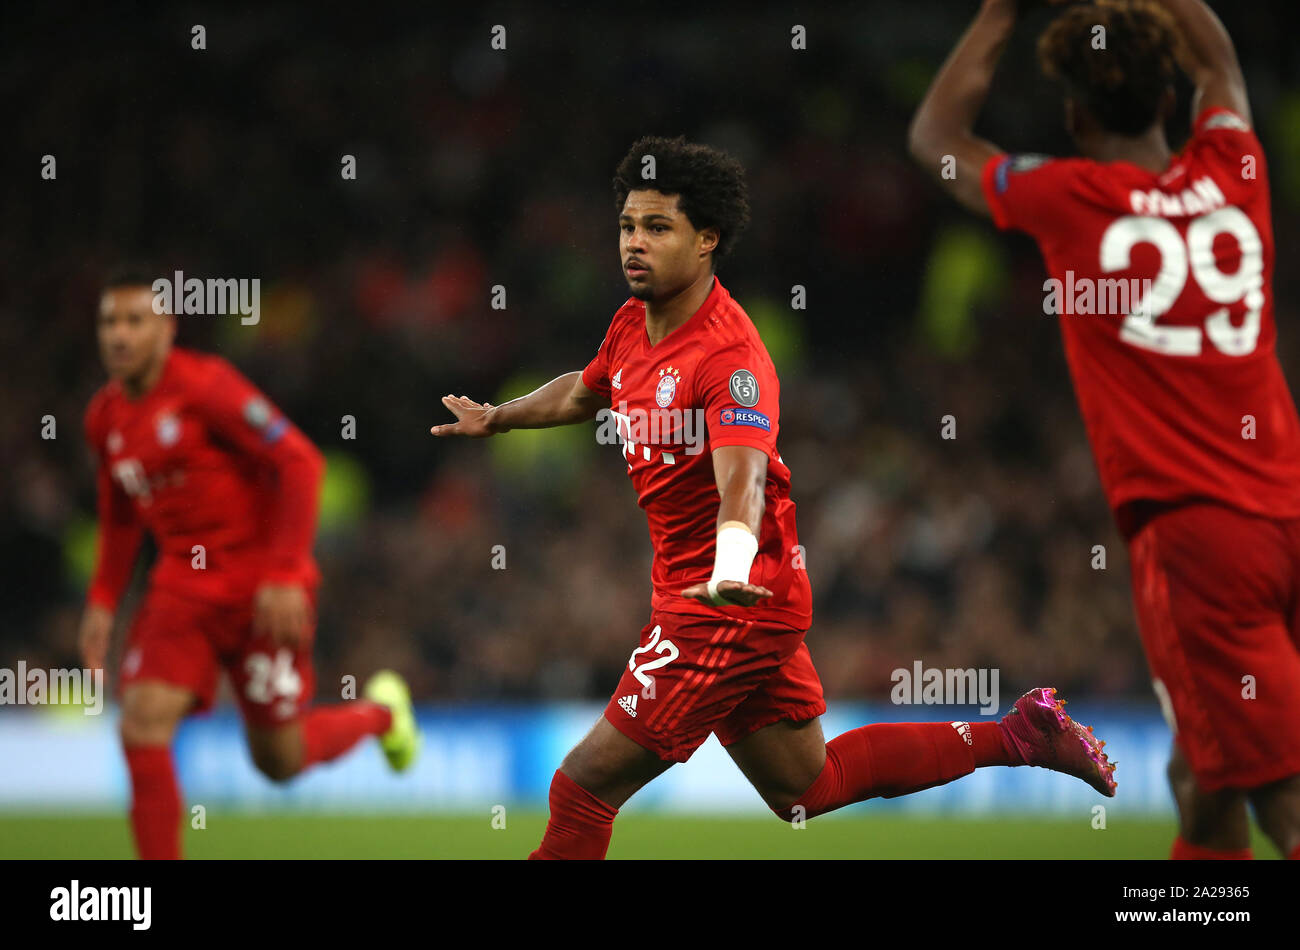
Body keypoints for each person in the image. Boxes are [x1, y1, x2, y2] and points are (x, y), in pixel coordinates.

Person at [432, 135, 1115, 860]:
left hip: (731, 598)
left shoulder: (730, 357)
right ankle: (1019, 735)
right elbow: (584, 388)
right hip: (711, 592)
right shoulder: (634, 322)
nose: (635, 243)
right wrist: (499, 416)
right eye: (629, 225)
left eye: (658, 228)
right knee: (806, 788)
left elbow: (743, 479)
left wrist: (727, 567)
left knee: (582, 787)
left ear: (706, 241)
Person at [910, 0, 1300, 859]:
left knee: (1279, 796)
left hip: (1202, 537)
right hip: (1288, 502)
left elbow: (935, 138)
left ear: (1075, 116)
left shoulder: (1072, 197)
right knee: (1205, 783)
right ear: (1168, 102)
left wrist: (1000, 12)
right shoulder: (1237, 163)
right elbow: (1221, 66)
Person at [80, 267, 419, 859]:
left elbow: (300, 462)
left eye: (136, 321)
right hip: (181, 591)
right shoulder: (104, 419)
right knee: (141, 726)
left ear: (165, 328)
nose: (120, 335)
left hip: (262, 589)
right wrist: (104, 600)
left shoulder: (206, 386)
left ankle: (381, 716)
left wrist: (286, 572)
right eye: (110, 322)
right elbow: (120, 518)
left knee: (279, 761)